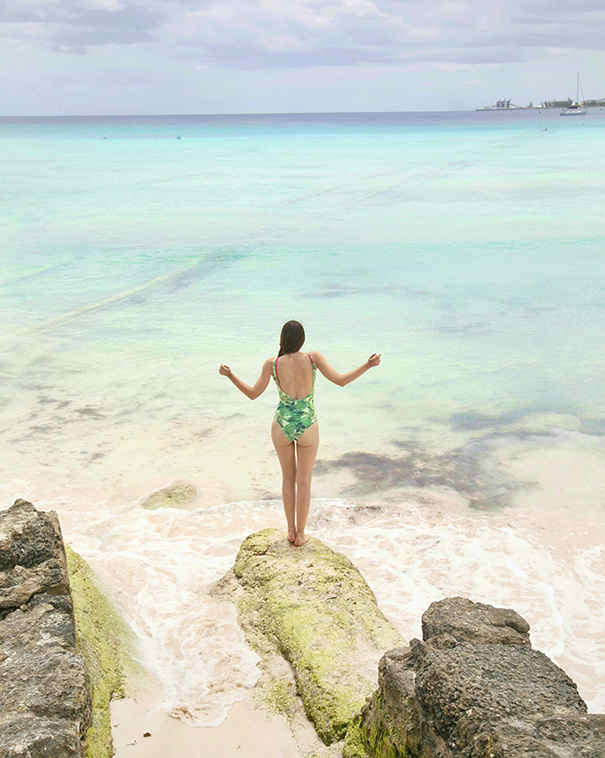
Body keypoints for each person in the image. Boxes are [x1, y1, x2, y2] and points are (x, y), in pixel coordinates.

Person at [219, 320, 381, 546]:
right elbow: (342, 381)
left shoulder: (272, 364)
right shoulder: (313, 359)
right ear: (301, 339)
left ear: (283, 338)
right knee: (304, 482)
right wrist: (368, 365)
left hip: (281, 424)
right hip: (308, 425)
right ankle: (301, 535)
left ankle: (290, 531)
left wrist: (230, 375)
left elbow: (253, 394)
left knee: (288, 478)